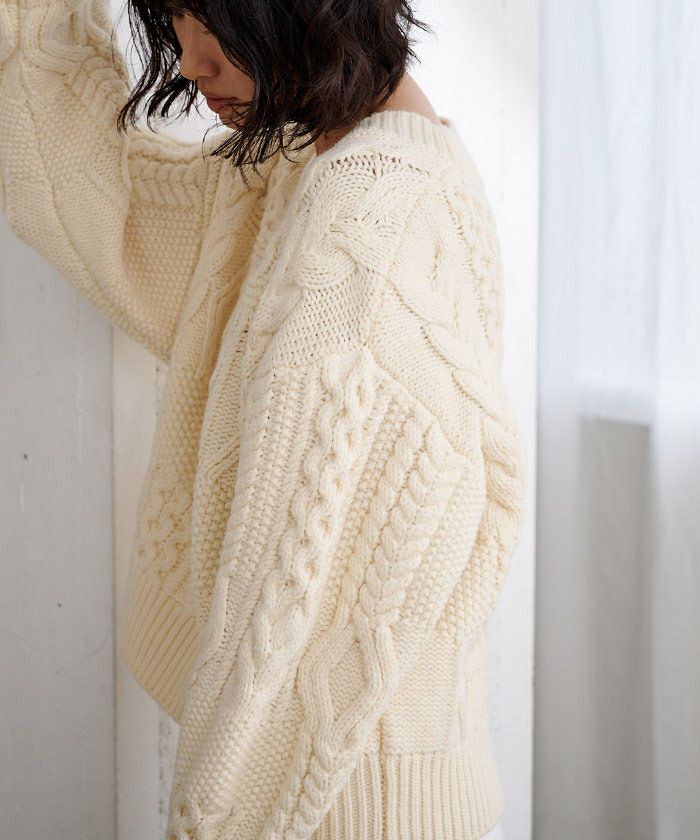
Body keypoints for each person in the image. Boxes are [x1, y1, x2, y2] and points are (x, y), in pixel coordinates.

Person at [0, 0, 525, 837]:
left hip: (335, 808)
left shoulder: (362, 235)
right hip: (362, 783)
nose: (188, 62)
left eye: (212, 19)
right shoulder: (325, 165)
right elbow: (103, 204)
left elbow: (286, 643)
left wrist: (209, 820)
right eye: (176, 23)